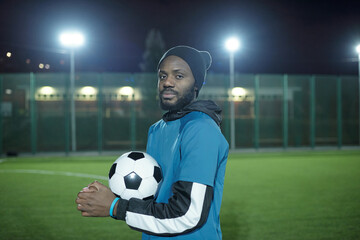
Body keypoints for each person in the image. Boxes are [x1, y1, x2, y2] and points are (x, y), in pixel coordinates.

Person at [76, 45, 229, 239]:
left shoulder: (201, 129)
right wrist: (114, 196)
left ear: (196, 84)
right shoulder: (157, 129)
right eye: (163, 76)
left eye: (179, 76)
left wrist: (116, 207)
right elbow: (154, 195)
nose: (167, 82)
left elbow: (189, 215)